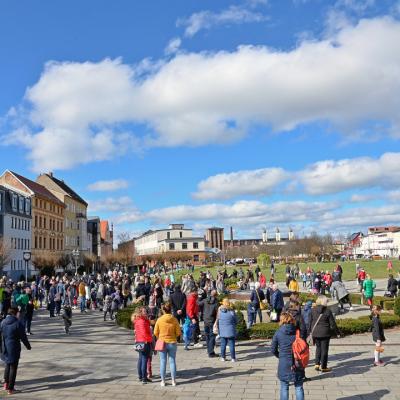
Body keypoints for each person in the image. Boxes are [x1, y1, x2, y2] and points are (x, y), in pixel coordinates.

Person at [271, 313, 305, 400]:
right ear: (292, 320)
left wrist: (280, 356)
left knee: (284, 387)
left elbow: (273, 350)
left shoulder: (278, 333)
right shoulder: (298, 332)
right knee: (299, 387)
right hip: (298, 362)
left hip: (284, 363)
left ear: (281, 321)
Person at [0, 307, 31, 395]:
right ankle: (11, 388)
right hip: (14, 348)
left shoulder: (3, 322)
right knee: (13, 368)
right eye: (18, 313)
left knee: (7, 365)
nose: (19, 314)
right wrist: (28, 346)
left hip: (5, 347)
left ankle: (6, 385)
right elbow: (23, 337)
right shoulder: (18, 323)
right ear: (15, 313)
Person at [154, 303, 181, 387]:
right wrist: (173, 336)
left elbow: (155, 332)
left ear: (163, 310)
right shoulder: (175, 319)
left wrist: (160, 337)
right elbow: (178, 332)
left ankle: (163, 381)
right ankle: (173, 381)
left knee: (163, 362)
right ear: (171, 310)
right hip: (172, 342)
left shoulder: (159, 319)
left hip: (162, 342)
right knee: (172, 361)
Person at [309, 295, 338, 373]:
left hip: (315, 332)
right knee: (324, 349)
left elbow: (309, 322)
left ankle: (317, 364)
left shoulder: (312, 310)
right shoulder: (327, 311)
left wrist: (309, 332)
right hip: (325, 333)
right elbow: (333, 324)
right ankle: (324, 367)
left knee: (318, 348)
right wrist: (337, 332)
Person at [132, 307, 153, 384]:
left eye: (146, 311)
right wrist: (149, 340)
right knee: (144, 360)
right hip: (144, 342)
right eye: (144, 311)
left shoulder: (140, 320)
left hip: (139, 341)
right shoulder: (141, 321)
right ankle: (144, 378)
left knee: (141, 359)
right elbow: (144, 333)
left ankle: (141, 376)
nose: (146, 312)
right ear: (140, 312)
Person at [198, 290, 218, 357]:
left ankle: (208, 350)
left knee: (207, 336)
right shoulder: (216, 302)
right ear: (215, 295)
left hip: (205, 320)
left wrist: (199, 297)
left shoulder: (205, 300)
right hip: (212, 320)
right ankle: (211, 352)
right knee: (212, 336)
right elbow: (217, 312)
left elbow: (198, 303)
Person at [217, 298, 237, 362]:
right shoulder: (232, 312)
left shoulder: (219, 311)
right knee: (231, 345)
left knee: (223, 345)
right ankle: (233, 358)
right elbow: (235, 321)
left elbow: (218, 320)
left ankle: (223, 357)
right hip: (230, 330)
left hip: (222, 330)